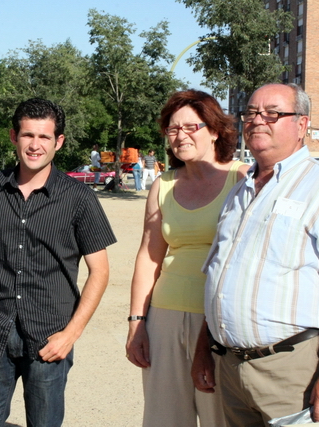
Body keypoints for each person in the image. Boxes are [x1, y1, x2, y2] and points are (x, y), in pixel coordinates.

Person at [0, 98, 117, 426]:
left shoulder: (79, 198)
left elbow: (99, 272)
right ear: (14, 136)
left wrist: (70, 334)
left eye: (44, 137)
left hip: (50, 336)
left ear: (58, 142)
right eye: (28, 135)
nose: (35, 145)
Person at [192, 83, 319, 425]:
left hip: (292, 372)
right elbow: (219, 275)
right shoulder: (239, 191)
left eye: (273, 113)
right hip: (231, 368)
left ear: (302, 124)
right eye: (251, 112)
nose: (258, 120)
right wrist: (205, 349)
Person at [125, 90, 248, 427]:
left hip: (220, 321)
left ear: (214, 129)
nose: (180, 136)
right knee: (164, 417)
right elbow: (149, 258)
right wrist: (137, 323)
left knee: (219, 417)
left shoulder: (243, 179)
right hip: (164, 318)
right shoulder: (162, 185)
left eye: (190, 127)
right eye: (173, 129)